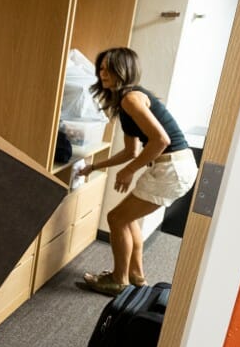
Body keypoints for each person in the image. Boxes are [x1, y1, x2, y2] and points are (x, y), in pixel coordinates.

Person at [78, 47, 198, 296]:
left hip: (171, 166)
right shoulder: (126, 103)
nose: (103, 73)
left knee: (116, 218)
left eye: (109, 67)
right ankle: (136, 277)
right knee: (126, 218)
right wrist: (94, 166)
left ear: (124, 69)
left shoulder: (130, 98)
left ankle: (117, 280)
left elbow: (160, 140)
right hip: (172, 166)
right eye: (100, 68)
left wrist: (129, 172)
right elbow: (131, 151)